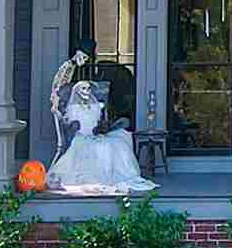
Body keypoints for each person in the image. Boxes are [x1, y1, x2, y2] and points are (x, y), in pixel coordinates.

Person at [44, 54, 152, 193]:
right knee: (101, 149)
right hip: (81, 136)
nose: (87, 92)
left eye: (88, 89)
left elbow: (100, 121)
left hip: (96, 135)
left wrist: (102, 128)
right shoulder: (73, 108)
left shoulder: (96, 106)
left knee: (118, 143)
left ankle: (117, 176)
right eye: (83, 89)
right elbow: (67, 122)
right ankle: (96, 177)